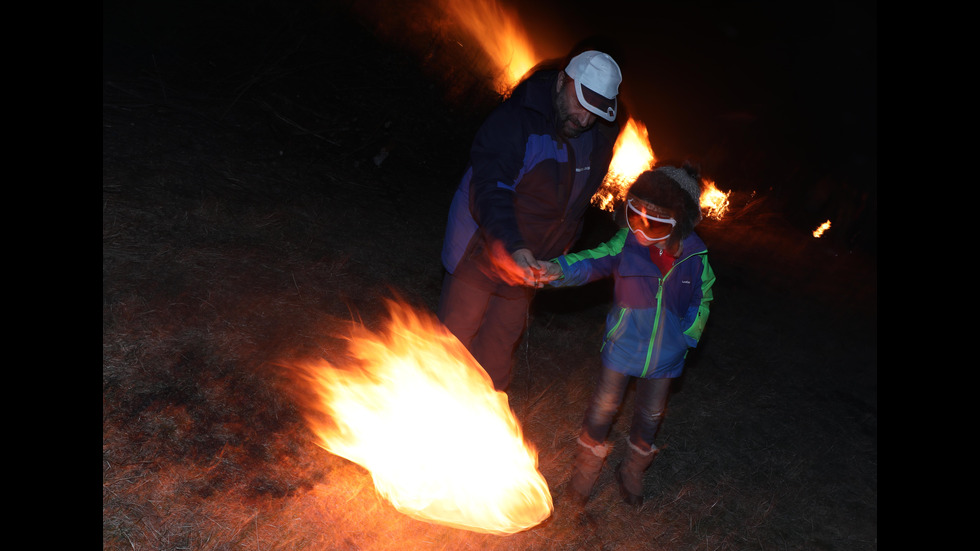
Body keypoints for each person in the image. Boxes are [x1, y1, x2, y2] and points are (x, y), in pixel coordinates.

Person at [438, 49, 624, 391]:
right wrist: (512, 245)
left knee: (500, 342)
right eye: (580, 103)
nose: (584, 119)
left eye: (595, 112)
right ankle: (432, 407)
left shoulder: (598, 140)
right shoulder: (516, 121)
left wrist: (556, 255)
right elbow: (491, 188)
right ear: (560, 81)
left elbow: (573, 205)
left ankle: (486, 415)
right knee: (456, 336)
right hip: (482, 245)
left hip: (532, 262)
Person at [542, 163, 715, 507]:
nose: (639, 226)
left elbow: (703, 296)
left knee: (651, 415)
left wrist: (686, 337)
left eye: (654, 219)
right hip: (623, 347)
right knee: (603, 408)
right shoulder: (626, 244)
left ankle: (632, 471)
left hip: (666, 357)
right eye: (635, 213)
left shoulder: (696, 256)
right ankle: (585, 473)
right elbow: (592, 261)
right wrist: (555, 270)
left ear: (679, 221)